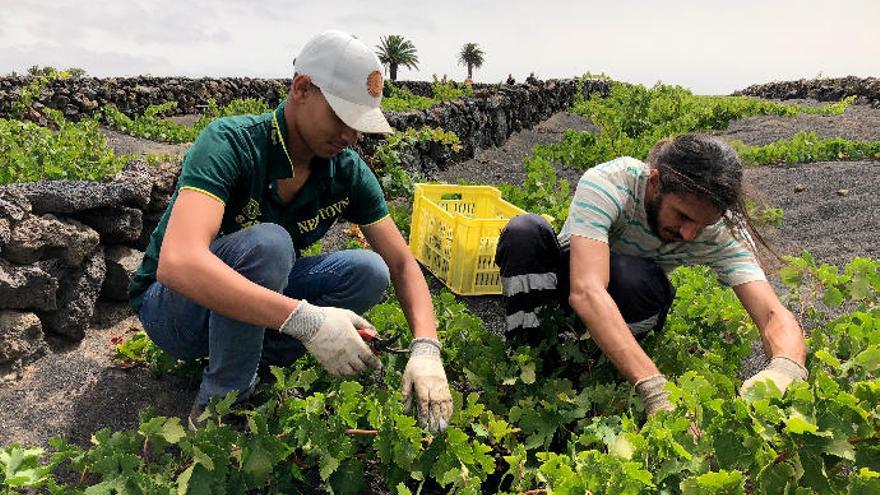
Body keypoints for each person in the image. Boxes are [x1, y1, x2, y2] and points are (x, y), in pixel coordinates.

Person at [128, 30, 452, 432]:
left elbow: (402, 264)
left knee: (369, 270)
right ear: (302, 88)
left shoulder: (345, 170)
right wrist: (307, 321)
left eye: (359, 125)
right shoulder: (232, 143)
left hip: (250, 303)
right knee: (270, 243)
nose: (350, 136)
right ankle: (221, 408)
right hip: (175, 312)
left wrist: (426, 348)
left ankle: (253, 362)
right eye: (341, 118)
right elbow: (177, 263)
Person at [495, 134, 807, 415]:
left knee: (634, 277)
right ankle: (528, 354)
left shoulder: (719, 229)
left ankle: (594, 365)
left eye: (701, 224)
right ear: (655, 182)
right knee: (525, 231)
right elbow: (587, 290)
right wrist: (656, 390)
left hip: (626, 297)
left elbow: (771, 313)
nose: (688, 233)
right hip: (567, 282)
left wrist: (785, 367)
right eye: (682, 216)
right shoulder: (609, 183)